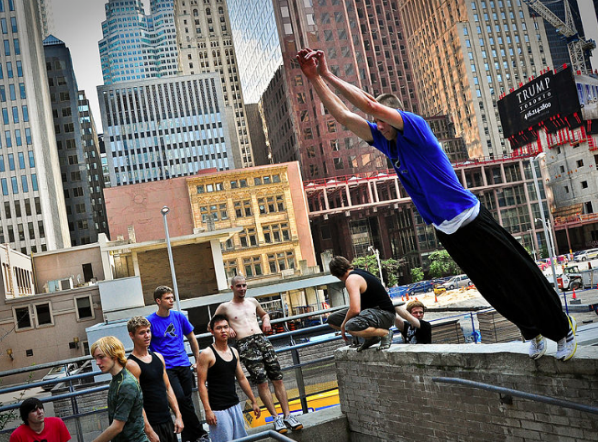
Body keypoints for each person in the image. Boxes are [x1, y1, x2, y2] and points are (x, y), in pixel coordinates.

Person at [297, 48, 577, 362]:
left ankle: (562, 328)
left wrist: (326, 73)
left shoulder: (415, 128)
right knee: (493, 287)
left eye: (381, 121)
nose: (377, 125)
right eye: (375, 123)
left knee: (519, 273)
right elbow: (347, 118)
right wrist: (313, 79)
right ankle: (530, 330)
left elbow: (369, 105)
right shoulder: (387, 143)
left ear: (395, 117)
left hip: (471, 218)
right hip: (447, 231)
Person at [213, 275, 303, 434]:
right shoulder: (225, 307)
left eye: (244, 285)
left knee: (278, 378)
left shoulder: (252, 302)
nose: (242, 289)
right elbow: (211, 326)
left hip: (262, 340)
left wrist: (266, 320)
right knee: (261, 382)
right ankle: (276, 418)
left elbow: (264, 314)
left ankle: (288, 415)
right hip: (245, 344)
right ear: (232, 288)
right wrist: (228, 328)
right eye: (239, 286)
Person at [146, 286, 209, 442]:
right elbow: (145, 345)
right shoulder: (150, 322)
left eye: (172, 297)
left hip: (183, 364)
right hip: (167, 368)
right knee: (180, 399)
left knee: (186, 401)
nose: (171, 300)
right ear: (158, 301)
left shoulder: (179, 316)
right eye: (168, 298)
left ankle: (189, 436)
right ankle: (200, 433)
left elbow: (192, 337)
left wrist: (197, 359)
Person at [197, 314, 261, 442]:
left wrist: (253, 401)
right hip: (218, 410)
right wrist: (208, 410)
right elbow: (201, 384)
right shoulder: (206, 354)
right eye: (219, 328)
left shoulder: (234, 351)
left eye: (226, 327)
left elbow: (242, 378)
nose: (223, 331)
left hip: (235, 404)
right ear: (212, 331)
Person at [126, 316, 184, 442]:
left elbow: (168, 388)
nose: (147, 335)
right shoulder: (131, 364)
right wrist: (149, 430)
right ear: (132, 335)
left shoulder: (158, 357)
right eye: (142, 333)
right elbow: (136, 401)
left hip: (167, 420)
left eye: (148, 331)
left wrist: (178, 416)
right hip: (150, 424)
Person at [326, 256, 396, 351]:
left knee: (350, 326)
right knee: (332, 320)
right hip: (371, 312)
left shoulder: (352, 279)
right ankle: (371, 337)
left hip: (384, 314)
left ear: (336, 274)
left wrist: (343, 325)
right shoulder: (359, 272)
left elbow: (355, 309)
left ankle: (384, 333)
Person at [90, 336, 148, 442]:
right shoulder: (116, 380)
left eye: (101, 357)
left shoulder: (126, 384)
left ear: (115, 355)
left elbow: (117, 427)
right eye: (95, 358)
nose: (97, 362)